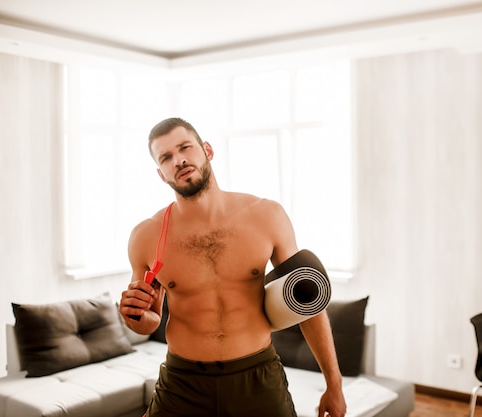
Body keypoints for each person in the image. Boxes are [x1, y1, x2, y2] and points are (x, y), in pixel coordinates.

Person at [118, 117, 347, 417]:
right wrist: (135, 315)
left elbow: (308, 304)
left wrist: (334, 382)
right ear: (161, 174)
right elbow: (147, 320)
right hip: (182, 382)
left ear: (207, 150)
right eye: (166, 157)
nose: (179, 160)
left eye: (185, 147)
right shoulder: (146, 236)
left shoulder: (266, 216)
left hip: (257, 377)